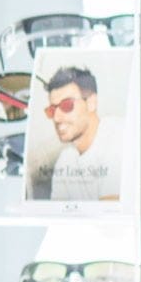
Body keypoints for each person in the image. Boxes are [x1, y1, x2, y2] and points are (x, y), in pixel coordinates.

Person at [25, 64, 110, 200]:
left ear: (91, 103)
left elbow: (113, 215)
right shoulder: (65, 161)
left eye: (67, 105)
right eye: (52, 110)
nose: (56, 118)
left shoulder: (117, 136)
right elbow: (57, 217)